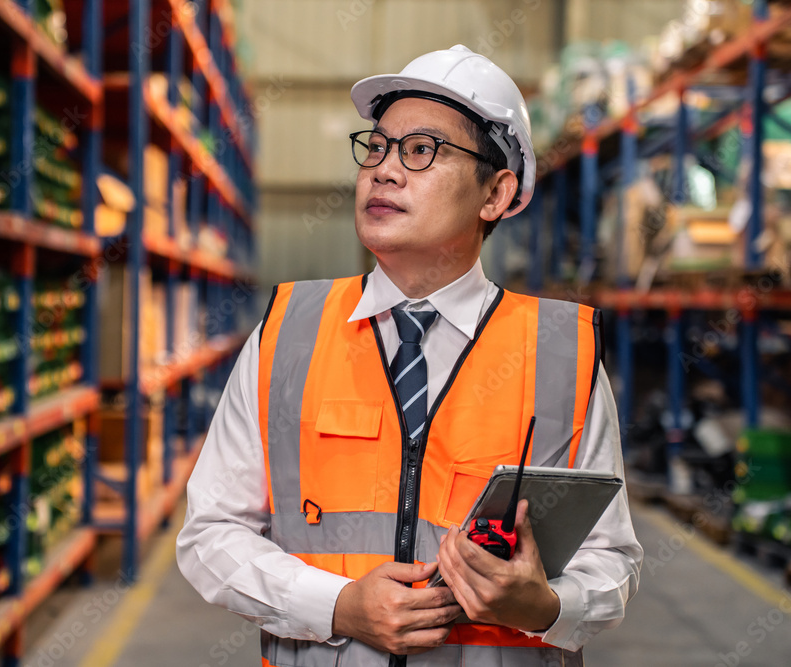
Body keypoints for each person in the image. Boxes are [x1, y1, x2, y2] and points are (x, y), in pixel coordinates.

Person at [177, 45, 643, 666]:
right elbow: (210, 532)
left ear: (497, 194)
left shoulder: (559, 354)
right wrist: (337, 605)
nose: (384, 170)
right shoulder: (289, 333)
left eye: (421, 150)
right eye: (376, 145)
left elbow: (611, 561)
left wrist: (543, 607)